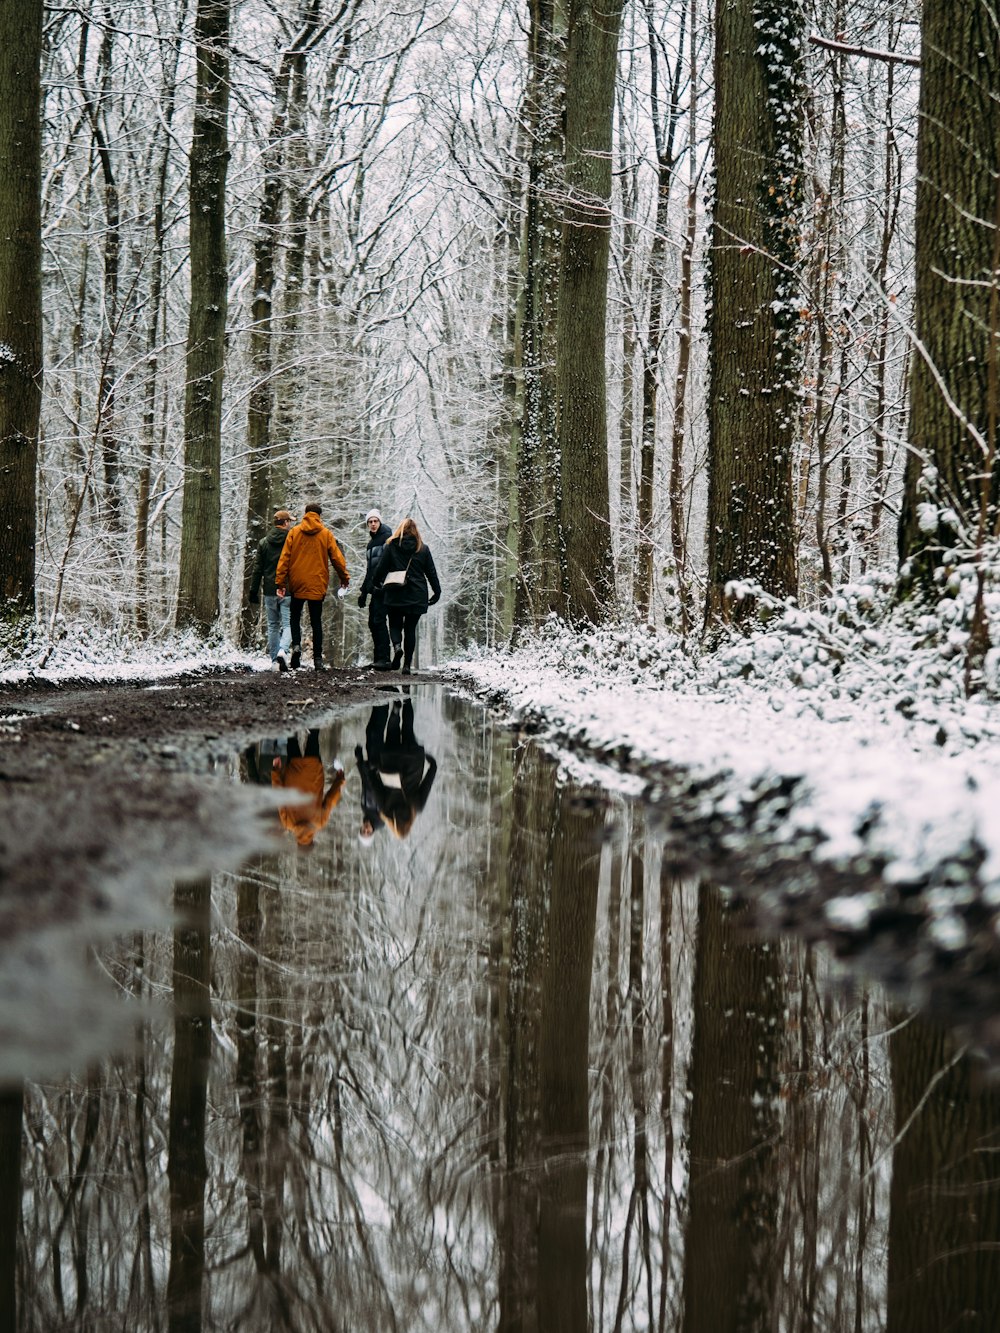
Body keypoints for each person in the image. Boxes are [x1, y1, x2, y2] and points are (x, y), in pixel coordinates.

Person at [275, 502, 350, 671]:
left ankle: (296, 647)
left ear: (306, 514)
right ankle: (317, 659)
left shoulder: (294, 532)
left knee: (295, 616)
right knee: (316, 621)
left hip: (297, 582)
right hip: (317, 582)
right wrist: (344, 579)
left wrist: (280, 582)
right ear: (319, 516)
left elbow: (284, 559)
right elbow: (338, 559)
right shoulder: (326, 534)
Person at [372, 516, 441, 674]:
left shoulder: (391, 546)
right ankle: (407, 665)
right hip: (416, 595)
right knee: (410, 629)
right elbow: (431, 573)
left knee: (395, 624)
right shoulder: (422, 548)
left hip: (395, 593)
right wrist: (437, 592)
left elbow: (381, 568)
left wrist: (377, 583)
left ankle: (397, 647)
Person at [361, 696, 437, 839]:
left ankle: (407, 696)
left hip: (412, 760)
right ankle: (395, 712)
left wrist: (432, 764)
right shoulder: (386, 811)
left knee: (408, 728)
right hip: (391, 761)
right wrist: (369, 769)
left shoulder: (417, 808)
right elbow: (376, 787)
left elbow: (427, 782)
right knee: (392, 732)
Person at [271, 729, 345, 847]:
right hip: (293, 775)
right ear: (297, 841)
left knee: (313, 738)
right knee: (292, 739)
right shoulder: (288, 824)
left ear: (312, 840)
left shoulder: (319, 823)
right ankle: (292, 716)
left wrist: (340, 779)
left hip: (313, 773)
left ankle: (314, 717)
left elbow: (330, 800)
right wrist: (276, 772)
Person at [248, 508, 296, 671]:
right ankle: (283, 650)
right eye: (290, 521)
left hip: (269, 590)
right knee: (289, 623)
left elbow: (257, 568)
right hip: (288, 589)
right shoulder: (292, 541)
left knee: (273, 625)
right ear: (286, 523)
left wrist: (253, 590)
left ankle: (275, 661)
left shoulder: (264, 542)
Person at [356, 508, 393, 669]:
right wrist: (363, 592)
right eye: (370, 522)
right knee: (373, 622)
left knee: (379, 621)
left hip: (385, 589)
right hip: (374, 589)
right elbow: (370, 570)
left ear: (380, 522)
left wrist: (383, 584)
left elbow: (389, 565)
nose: (372, 524)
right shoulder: (371, 544)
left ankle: (384, 659)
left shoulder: (387, 539)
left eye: (375, 521)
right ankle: (378, 658)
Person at [354, 700, 390, 844]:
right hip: (380, 766)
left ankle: (381, 701)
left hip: (370, 766)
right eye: (368, 833)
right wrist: (380, 770)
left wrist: (359, 759)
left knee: (371, 732)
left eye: (363, 831)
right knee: (376, 733)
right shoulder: (382, 817)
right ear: (373, 832)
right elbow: (387, 790)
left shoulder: (365, 810)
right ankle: (385, 701)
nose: (366, 829)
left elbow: (364, 782)